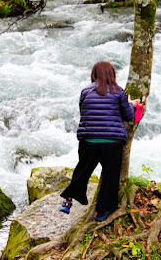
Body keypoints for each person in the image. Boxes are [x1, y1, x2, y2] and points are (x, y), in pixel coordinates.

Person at [59, 61, 139, 221]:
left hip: (88, 139)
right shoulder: (118, 92)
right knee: (111, 176)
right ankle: (101, 212)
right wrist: (132, 104)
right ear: (112, 74)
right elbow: (129, 116)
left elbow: (85, 112)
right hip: (112, 141)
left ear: (94, 74)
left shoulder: (85, 92)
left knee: (83, 170)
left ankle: (68, 199)